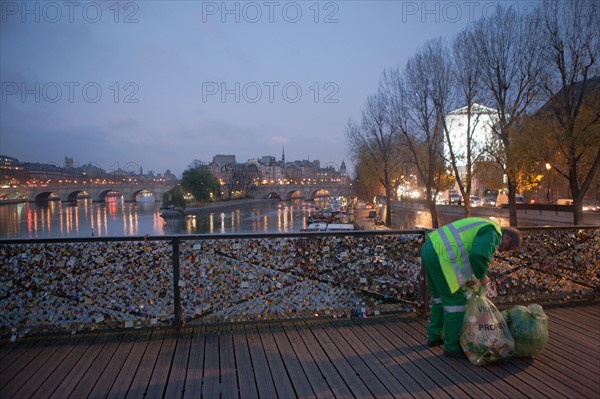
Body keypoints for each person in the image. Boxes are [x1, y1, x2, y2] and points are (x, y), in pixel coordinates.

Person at [420, 217, 522, 357]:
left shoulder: (485, 225)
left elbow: (464, 251)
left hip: (430, 248)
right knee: (456, 303)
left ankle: (434, 336)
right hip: (441, 256)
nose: (501, 251)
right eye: (507, 249)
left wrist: (468, 279)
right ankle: (451, 347)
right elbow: (477, 255)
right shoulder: (493, 233)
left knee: (439, 297)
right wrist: (482, 277)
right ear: (507, 239)